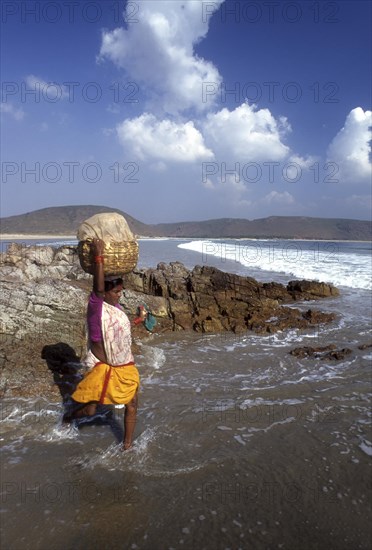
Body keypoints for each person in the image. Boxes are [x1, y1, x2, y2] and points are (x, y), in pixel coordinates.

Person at [67, 237, 139, 451]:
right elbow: (97, 290)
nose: (120, 295)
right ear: (105, 293)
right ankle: (69, 417)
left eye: (121, 291)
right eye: (116, 292)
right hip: (100, 367)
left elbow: (121, 336)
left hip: (124, 367)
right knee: (90, 411)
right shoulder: (96, 308)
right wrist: (99, 256)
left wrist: (138, 320)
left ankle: (127, 446)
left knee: (132, 404)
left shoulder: (115, 309)